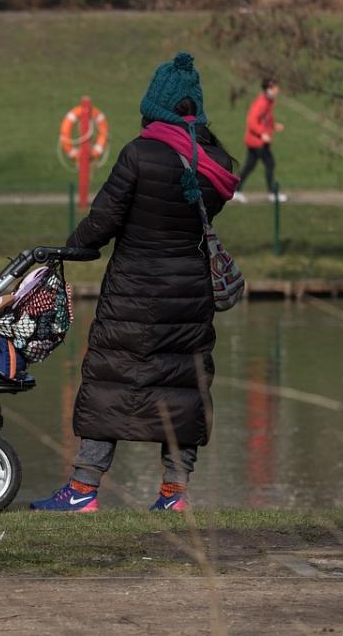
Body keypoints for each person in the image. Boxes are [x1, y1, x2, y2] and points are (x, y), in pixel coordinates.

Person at [30, 52, 239, 513]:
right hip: (189, 293)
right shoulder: (216, 163)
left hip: (134, 291)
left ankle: (83, 489)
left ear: (155, 105)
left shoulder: (139, 153)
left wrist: (69, 248)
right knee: (185, 389)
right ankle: (174, 495)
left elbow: (103, 220)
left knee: (112, 381)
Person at [233, 77, 285, 203]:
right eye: (275, 87)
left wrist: (273, 126)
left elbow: (266, 118)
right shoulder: (262, 103)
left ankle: (235, 191)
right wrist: (262, 134)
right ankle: (272, 194)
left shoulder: (268, 101)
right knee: (270, 163)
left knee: (249, 166)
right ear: (268, 89)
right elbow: (251, 121)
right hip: (257, 142)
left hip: (256, 141)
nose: (277, 90)